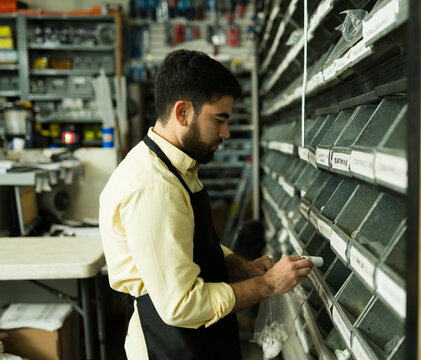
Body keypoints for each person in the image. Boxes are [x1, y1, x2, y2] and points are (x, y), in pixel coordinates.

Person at [99, 49, 313, 360]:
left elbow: (185, 243)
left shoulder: (176, 167)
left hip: (196, 339)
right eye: (219, 119)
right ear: (182, 112)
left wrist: (237, 265)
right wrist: (267, 284)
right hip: (170, 345)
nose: (225, 133)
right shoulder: (154, 188)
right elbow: (180, 304)